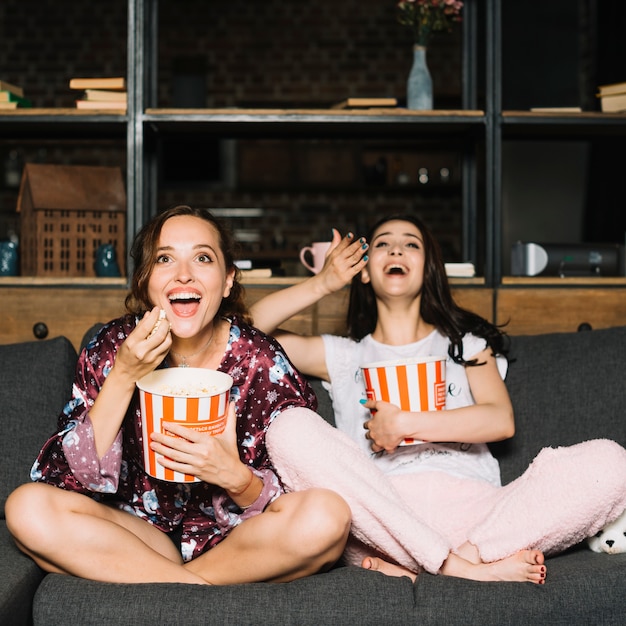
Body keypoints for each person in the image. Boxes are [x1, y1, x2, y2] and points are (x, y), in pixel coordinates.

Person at [251, 213, 626, 584]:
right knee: (289, 430)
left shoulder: (468, 347)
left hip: (478, 517)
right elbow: (246, 332)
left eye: (410, 244)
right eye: (383, 244)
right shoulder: (343, 355)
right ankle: (460, 571)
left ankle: (458, 559)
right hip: (386, 520)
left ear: (428, 268)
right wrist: (323, 283)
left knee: (612, 462)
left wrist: (406, 424)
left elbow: (500, 421)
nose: (396, 249)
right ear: (364, 271)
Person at [5, 205, 351, 585]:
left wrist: (236, 478)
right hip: (137, 536)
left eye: (203, 258)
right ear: (145, 279)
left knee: (328, 517)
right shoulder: (113, 347)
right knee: (25, 507)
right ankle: (193, 589)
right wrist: (124, 375)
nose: (183, 274)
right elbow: (61, 482)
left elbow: (299, 486)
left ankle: (163, 585)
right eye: (165, 259)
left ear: (227, 280)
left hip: (233, 544)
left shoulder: (260, 360)